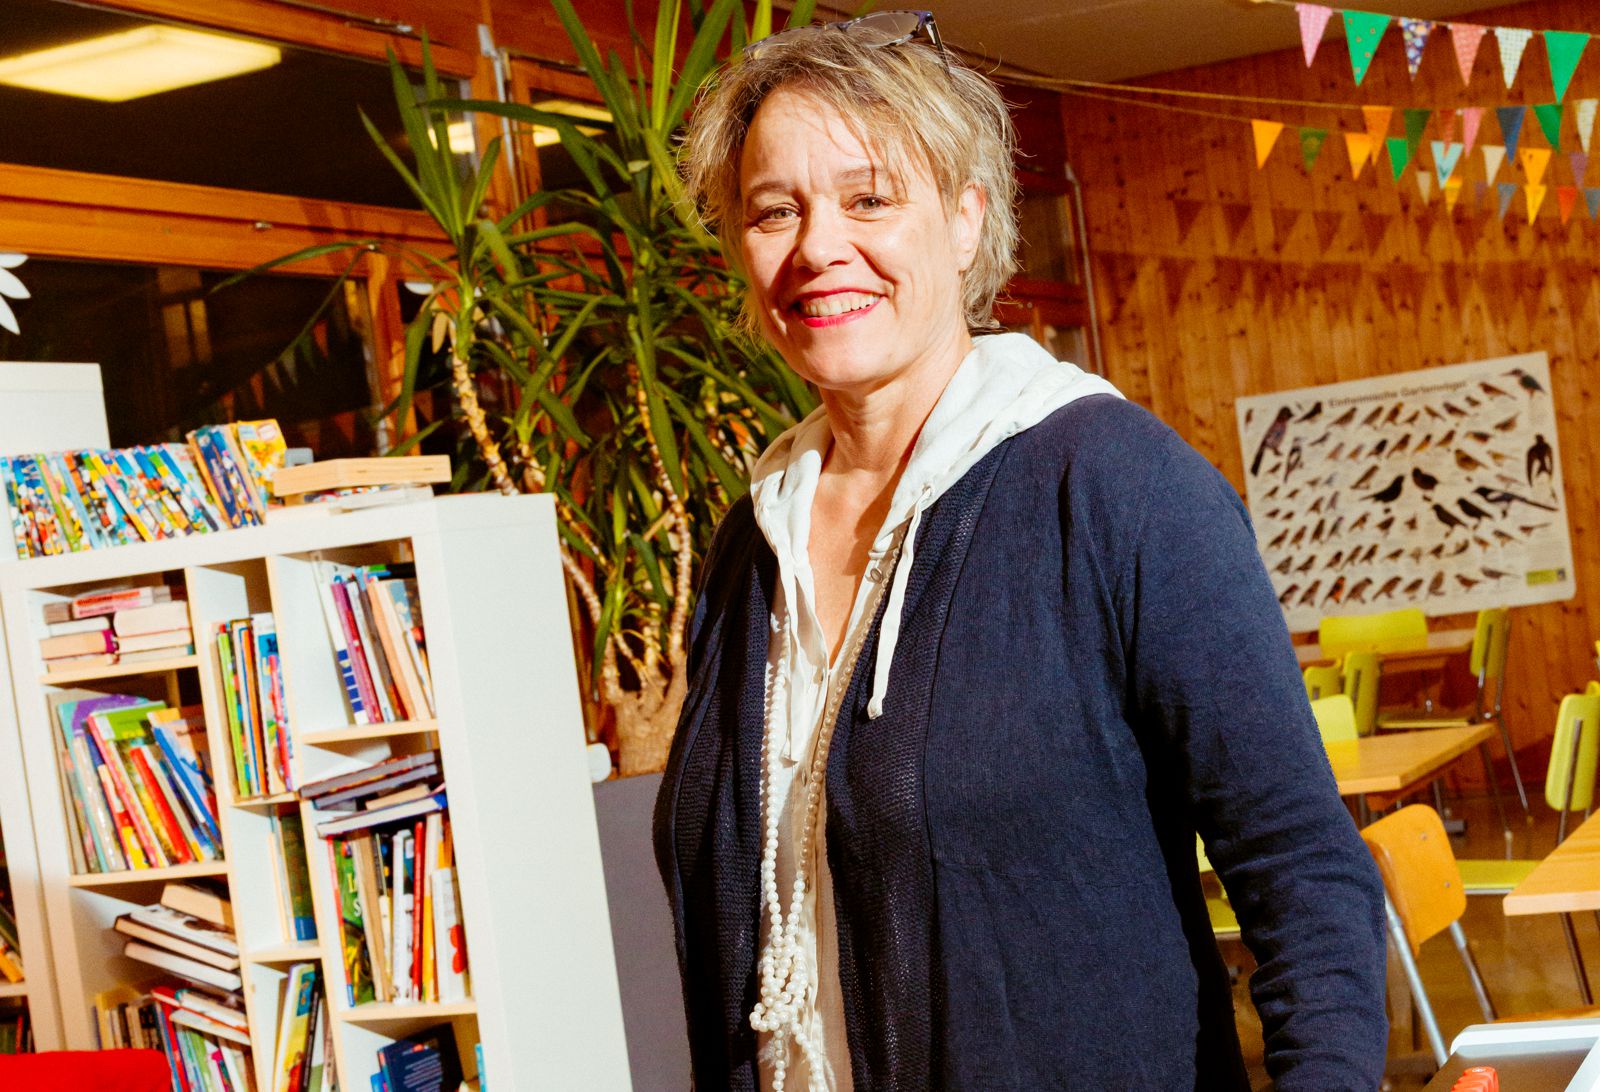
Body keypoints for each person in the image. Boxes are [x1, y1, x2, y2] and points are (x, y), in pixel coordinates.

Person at [653, 11, 1388, 1091]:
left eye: (869, 199)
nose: (817, 247)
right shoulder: (751, 539)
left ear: (965, 221)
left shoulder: (1114, 485)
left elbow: (1300, 868)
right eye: (775, 211)